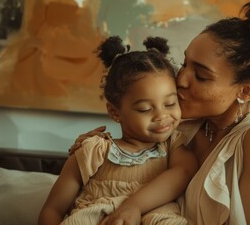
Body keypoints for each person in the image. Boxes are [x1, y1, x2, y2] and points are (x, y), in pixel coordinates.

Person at [69, 0, 250, 224]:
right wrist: (94, 151)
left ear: (245, 91)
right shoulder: (181, 129)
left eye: (202, 76)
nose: (181, 79)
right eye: (185, 63)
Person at [38, 36, 198, 225]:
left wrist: (134, 206)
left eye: (170, 103)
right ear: (115, 112)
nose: (162, 115)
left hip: (155, 215)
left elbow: (184, 171)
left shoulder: (173, 145)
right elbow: (52, 209)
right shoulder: (93, 150)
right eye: (145, 109)